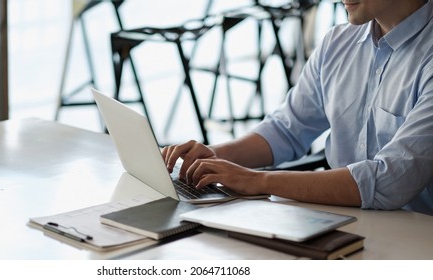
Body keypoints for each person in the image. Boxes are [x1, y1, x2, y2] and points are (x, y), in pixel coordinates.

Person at [162, 0, 433, 216]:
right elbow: (286, 130)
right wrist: (212, 158)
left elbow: (389, 181)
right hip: (343, 218)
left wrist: (256, 181)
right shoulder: (338, 43)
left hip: (416, 235)